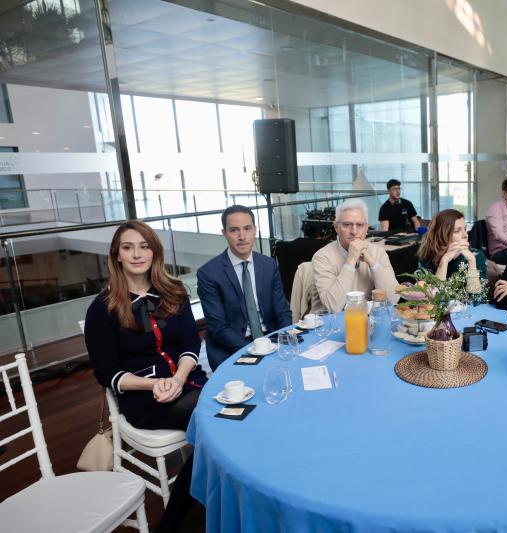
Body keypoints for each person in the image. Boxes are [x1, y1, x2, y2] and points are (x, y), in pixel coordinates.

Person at [84, 220, 207, 533]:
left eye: (144, 246)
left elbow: (191, 342)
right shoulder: (102, 308)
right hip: (143, 398)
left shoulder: (174, 291)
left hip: (188, 382)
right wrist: (154, 384)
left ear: (154, 252)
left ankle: (181, 517)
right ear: (117, 256)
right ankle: (174, 523)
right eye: (128, 247)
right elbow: (106, 373)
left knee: (222, 421)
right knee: (217, 423)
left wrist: (178, 378)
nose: (137, 254)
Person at [197, 205, 292, 370]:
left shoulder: (268, 265)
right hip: (232, 348)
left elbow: (282, 311)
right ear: (224, 233)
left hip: (270, 340)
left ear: (255, 230)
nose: (242, 236)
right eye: (234, 230)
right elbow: (219, 328)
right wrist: (256, 351)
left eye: (247, 228)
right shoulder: (209, 274)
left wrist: (284, 342)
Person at [311, 198, 399, 312]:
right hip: (331, 325)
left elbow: (393, 299)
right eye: (347, 224)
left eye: (360, 225)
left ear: (367, 228)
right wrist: (351, 260)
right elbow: (334, 307)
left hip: (367, 322)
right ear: (336, 227)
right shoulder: (322, 257)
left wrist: (372, 263)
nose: (354, 231)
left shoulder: (378, 252)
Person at [418, 209, 487, 282]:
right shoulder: (426, 256)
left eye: (465, 229)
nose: (466, 235)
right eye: (457, 231)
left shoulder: (477, 256)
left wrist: (472, 261)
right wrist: (444, 261)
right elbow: (431, 293)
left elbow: (475, 293)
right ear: (441, 235)